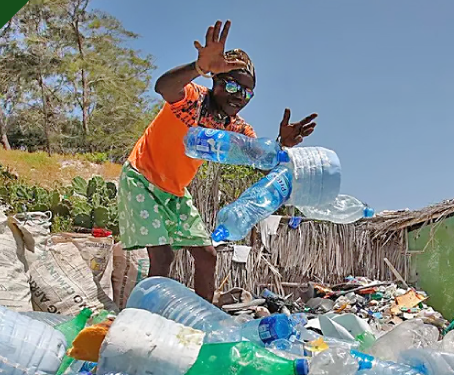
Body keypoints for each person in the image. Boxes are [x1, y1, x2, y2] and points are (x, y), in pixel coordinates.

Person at [118, 20, 318, 302]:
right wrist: (197, 68)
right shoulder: (191, 99)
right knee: (162, 256)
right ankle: (147, 320)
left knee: (207, 256)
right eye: (233, 86)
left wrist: (281, 143)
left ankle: (205, 321)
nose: (239, 97)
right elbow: (163, 87)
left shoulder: (235, 127)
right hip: (142, 179)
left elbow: (261, 157)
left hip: (175, 192)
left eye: (247, 92)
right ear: (215, 79)